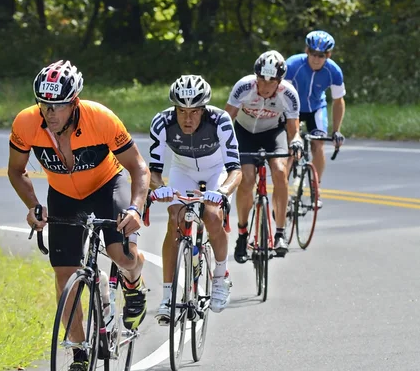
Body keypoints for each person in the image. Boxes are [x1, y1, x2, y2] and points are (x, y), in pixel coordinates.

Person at [8, 60, 150, 371]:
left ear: (74, 102)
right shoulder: (27, 123)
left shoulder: (100, 118)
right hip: (63, 194)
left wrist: (135, 208)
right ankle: (78, 356)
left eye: (57, 105)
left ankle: (134, 282)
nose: (50, 113)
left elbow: (138, 167)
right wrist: (34, 206)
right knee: (64, 274)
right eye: (44, 105)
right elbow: (16, 170)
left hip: (107, 186)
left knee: (121, 253)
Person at [148, 75, 242, 321]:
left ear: (204, 110)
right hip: (183, 171)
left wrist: (222, 192)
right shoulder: (161, 122)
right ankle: (168, 297)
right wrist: (161, 188)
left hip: (215, 171)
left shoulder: (220, 120)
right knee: (175, 218)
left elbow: (236, 170)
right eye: (181, 111)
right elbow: (153, 172)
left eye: (194, 112)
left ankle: (221, 277)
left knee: (212, 216)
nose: (187, 118)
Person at [224, 50, 303, 261]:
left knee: (279, 171)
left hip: (272, 133)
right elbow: (226, 119)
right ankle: (242, 234)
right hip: (244, 132)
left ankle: (279, 232)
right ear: (256, 77)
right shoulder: (243, 87)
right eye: (262, 80)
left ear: (280, 81)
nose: (265, 87)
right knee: (247, 178)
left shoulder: (289, 94)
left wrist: (296, 141)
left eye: (271, 82)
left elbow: (293, 129)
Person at [285, 30, 346, 198]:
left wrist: (336, 130)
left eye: (321, 55)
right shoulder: (292, 65)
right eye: (313, 54)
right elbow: (281, 95)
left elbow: (338, 100)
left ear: (328, 55)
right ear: (307, 51)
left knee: (318, 145)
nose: (316, 59)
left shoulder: (333, 71)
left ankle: (315, 188)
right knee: (291, 147)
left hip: (316, 109)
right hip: (292, 110)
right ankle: (282, 188)